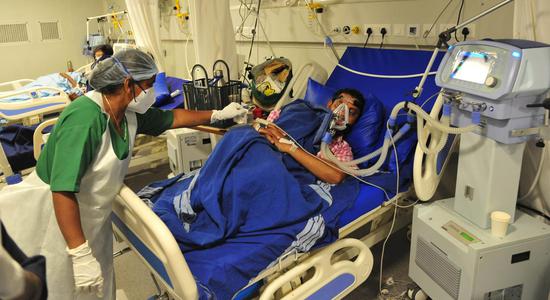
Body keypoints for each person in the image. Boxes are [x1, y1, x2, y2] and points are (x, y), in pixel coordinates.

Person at [0, 48, 247, 300]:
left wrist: (218, 114)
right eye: (149, 85)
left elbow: (172, 116)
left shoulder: (128, 113)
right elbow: (62, 189)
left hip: (92, 213)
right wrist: (80, 252)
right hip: (53, 216)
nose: (151, 92)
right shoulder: (85, 119)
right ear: (129, 83)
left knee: (94, 288)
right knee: (55, 287)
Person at [259, 88, 364, 184]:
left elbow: (336, 176)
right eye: (339, 104)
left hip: (282, 174)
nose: (341, 113)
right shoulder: (299, 110)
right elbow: (261, 128)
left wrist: (290, 147)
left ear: (355, 121)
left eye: (351, 112)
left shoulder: (342, 149)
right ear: (329, 104)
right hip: (262, 153)